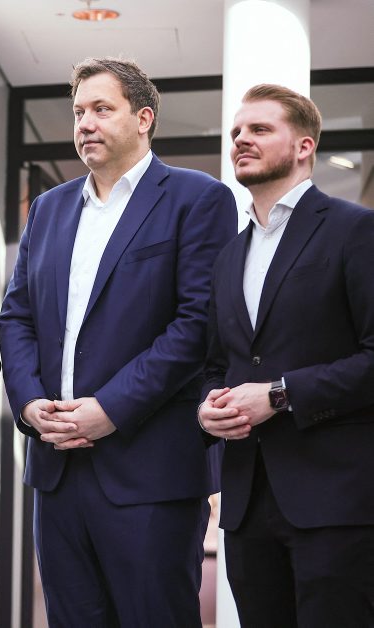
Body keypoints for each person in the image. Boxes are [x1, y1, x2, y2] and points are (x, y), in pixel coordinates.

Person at [0, 57, 238, 626]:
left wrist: (109, 409)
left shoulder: (198, 198)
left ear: (144, 118)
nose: (85, 123)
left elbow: (196, 325)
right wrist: (30, 405)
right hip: (56, 467)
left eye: (102, 109)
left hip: (150, 469)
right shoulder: (49, 208)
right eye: (78, 112)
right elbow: (17, 316)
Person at [199, 84, 374, 627]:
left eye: (259, 129)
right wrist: (207, 409)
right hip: (247, 504)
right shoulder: (229, 255)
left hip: (337, 504)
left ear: (304, 146)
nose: (241, 139)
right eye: (236, 132)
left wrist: (280, 395)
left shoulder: (356, 229)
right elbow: (216, 364)